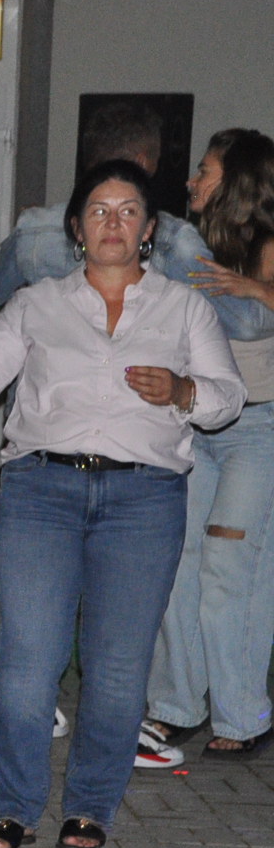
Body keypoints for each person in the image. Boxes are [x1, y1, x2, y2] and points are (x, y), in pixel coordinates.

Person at [0, 159, 241, 848]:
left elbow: (228, 397)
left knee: (117, 665)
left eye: (128, 211)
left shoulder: (184, 307)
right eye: (98, 211)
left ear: (149, 229)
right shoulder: (37, 303)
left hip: (144, 500)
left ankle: (89, 805)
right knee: (29, 659)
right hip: (41, 491)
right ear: (77, 229)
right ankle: (15, 808)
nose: (113, 222)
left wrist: (183, 391)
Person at [146, 130, 274, 759]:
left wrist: (261, 291)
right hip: (194, 423)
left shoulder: (268, 246)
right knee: (178, 565)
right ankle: (177, 706)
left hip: (259, 429)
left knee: (230, 571)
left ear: (239, 183)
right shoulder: (187, 249)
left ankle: (244, 715)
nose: (192, 181)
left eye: (205, 171)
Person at [0, 100, 274, 343]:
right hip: (129, 393)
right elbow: (246, 323)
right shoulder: (170, 239)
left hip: (44, 394)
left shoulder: (34, 229)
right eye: (155, 160)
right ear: (142, 163)